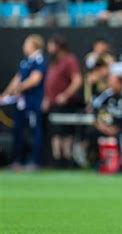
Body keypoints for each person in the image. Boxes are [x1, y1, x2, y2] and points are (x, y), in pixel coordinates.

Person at [0, 34, 47, 170]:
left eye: (26, 44)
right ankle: (17, 160)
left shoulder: (39, 61)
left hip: (33, 101)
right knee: (18, 130)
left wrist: (18, 88)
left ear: (34, 45)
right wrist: (5, 94)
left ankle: (35, 160)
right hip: (21, 102)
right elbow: (17, 78)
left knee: (34, 131)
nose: (24, 47)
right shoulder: (25, 62)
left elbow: (35, 79)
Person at [43, 34, 82, 168]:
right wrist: (47, 98)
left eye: (51, 45)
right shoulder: (53, 62)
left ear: (58, 46)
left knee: (65, 131)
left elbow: (77, 80)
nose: (48, 48)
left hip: (66, 104)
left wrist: (66, 95)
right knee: (55, 132)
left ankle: (66, 159)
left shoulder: (69, 60)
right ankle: (56, 158)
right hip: (53, 104)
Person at [92, 74, 122, 165]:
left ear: (121, 83)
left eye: (113, 83)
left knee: (121, 137)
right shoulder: (108, 93)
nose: (111, 85)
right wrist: (101, 125)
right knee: (91, 132)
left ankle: (121, 164)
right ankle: (97, 162)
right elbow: (95, 107)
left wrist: (116, 129)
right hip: (107, 126)